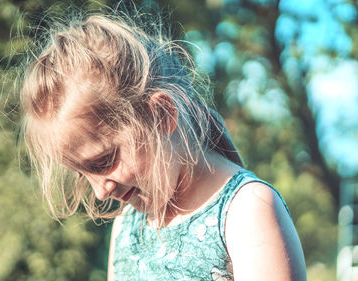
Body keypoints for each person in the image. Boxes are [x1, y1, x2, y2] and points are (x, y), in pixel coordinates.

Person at [19, 9, 307, 281]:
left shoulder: (247, 210)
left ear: (161, 116)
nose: (100, 191)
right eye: (83, 173)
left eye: (104, 161)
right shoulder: (126, 227)